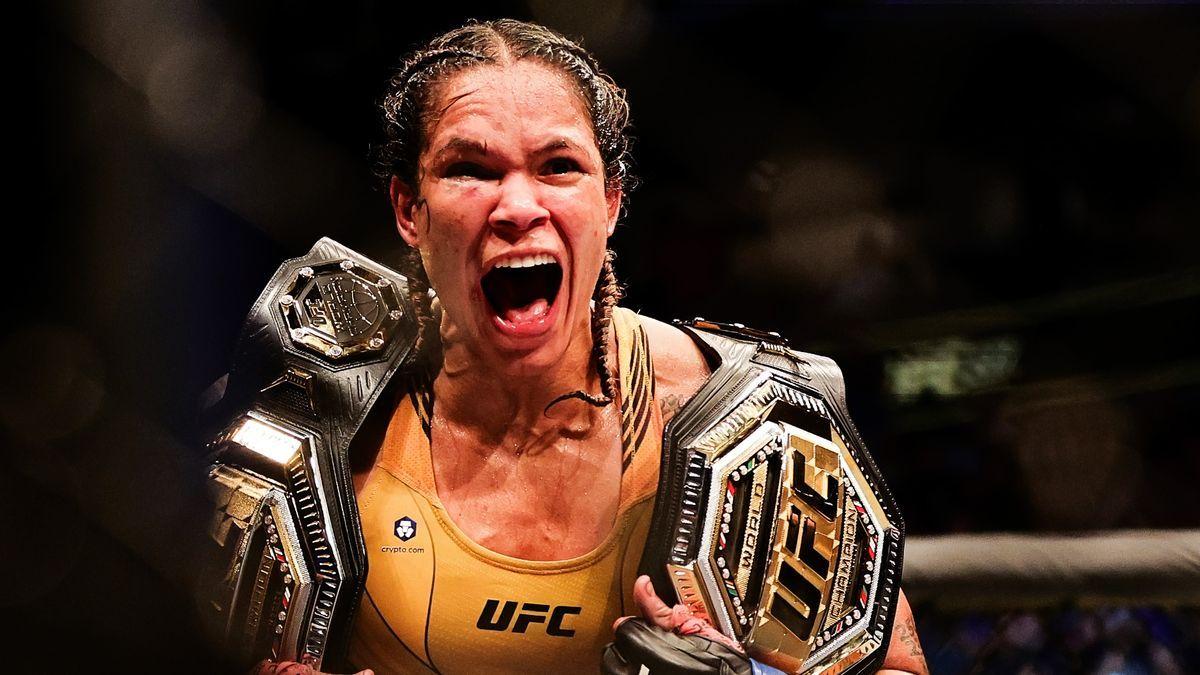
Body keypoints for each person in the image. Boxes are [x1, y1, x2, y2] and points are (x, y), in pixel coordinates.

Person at [251, 19, 927, 675]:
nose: (518, 207)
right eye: (470, 168)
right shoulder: (313, 395)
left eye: (558, 166)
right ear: (409, 210)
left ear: (610, 203)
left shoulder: (743, 423)